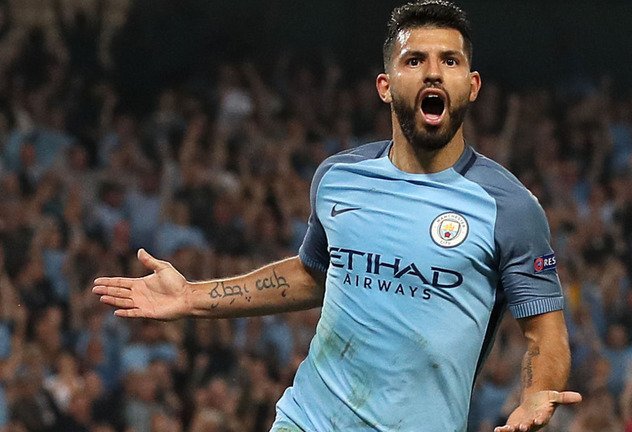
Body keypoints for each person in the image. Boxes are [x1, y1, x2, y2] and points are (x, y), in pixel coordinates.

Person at [92, 1, 581, 431]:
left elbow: (545, 333)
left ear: (471, 86)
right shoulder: (339, 177)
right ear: (385, 86)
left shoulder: (509, 208)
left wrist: (538, 392)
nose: (433, 73)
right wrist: (191, 296)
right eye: (415, 60)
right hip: (308, 419)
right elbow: (314, 275)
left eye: (449, 60)